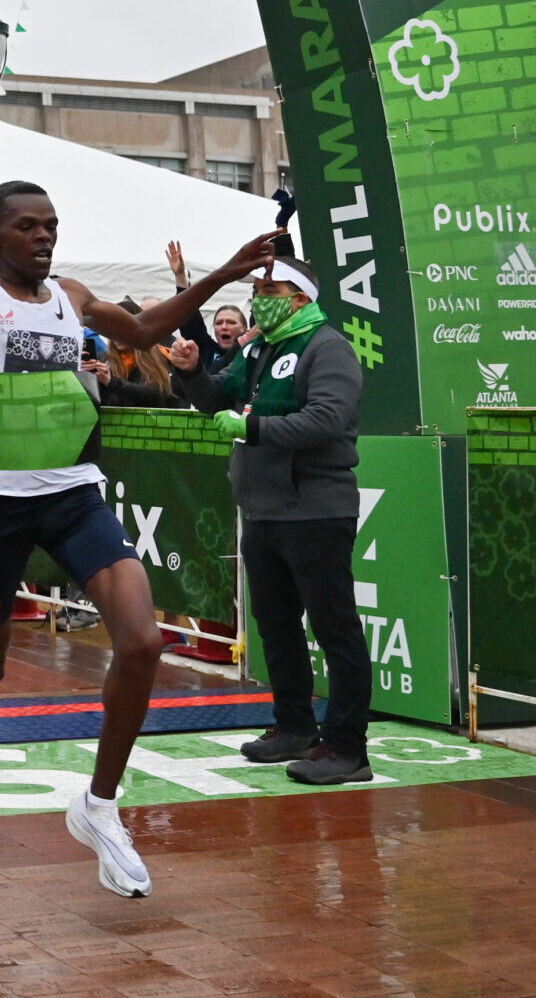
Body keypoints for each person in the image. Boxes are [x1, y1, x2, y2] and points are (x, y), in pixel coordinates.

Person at [0, 176, 278, 897]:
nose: (44, 236)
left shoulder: (71, 296)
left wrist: (220, 275)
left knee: (142, 641)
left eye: (52, 225)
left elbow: (145, 333)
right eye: (29, 226)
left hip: (72, 492)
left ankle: (99, 805)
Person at [172, 250, 370, 785]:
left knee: (334, 628)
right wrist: (190, 372)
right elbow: (218, 398)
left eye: (271, 292)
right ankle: (295, 725)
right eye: (257, 291)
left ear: (301, 299)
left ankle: (348, 747)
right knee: (276, 626)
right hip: (261, 510)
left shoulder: (327, 348)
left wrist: (253, 428)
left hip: (315, 509)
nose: (259, 299)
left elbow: (326, 419)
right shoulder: (260, 348)